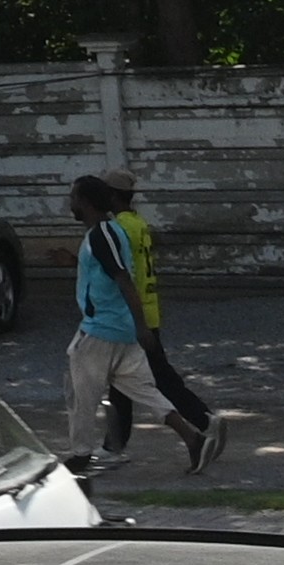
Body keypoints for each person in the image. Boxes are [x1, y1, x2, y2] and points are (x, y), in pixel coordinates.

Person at [67, 172, 221, 472]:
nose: (69, 203)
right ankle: (194, 439)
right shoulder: (112, 231)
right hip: (121, 329)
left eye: (73, 198)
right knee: (146, 391)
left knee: (79, 390)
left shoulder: (103, 234)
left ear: (85, 202)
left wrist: (141, 326)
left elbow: (124, 279)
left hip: (103, 329)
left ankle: (81, 453)